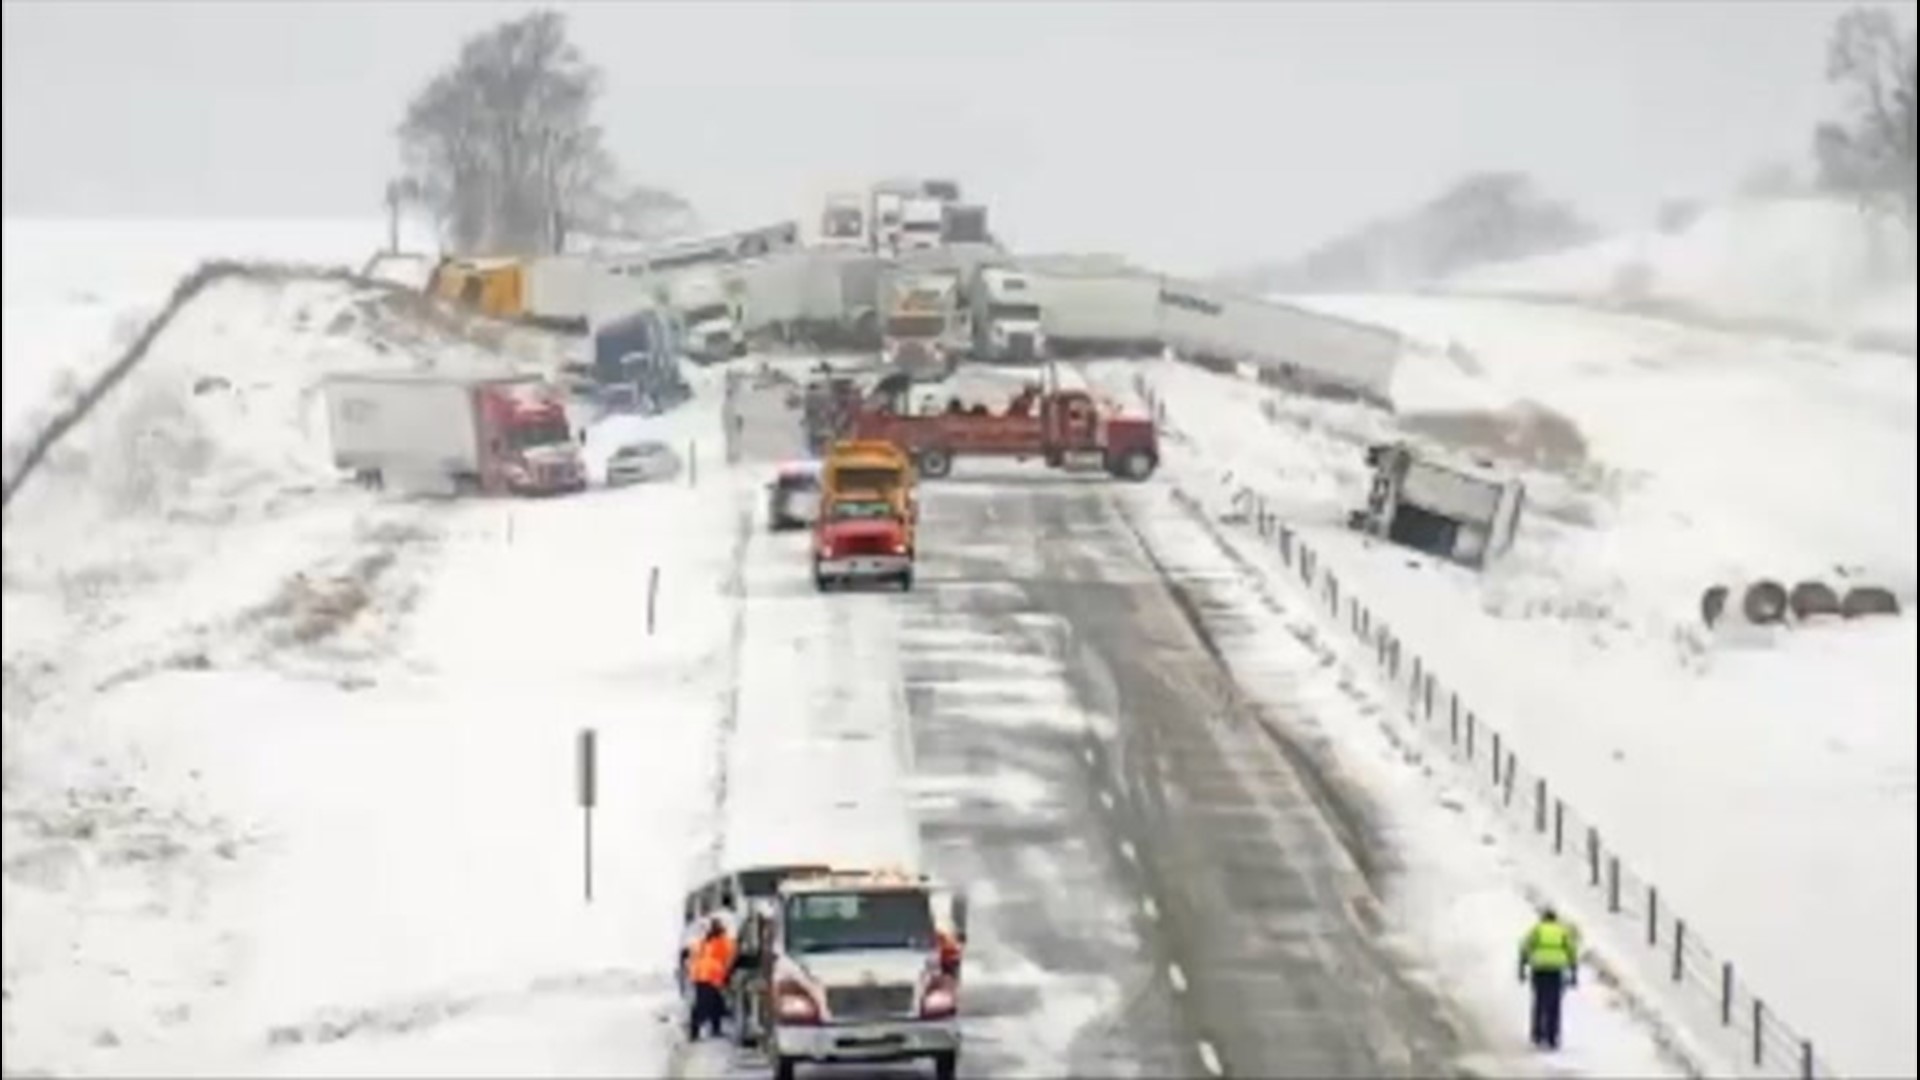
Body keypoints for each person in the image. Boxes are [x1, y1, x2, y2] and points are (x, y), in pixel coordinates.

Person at [1518, 905, 1580, 1050]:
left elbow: (1525, 948)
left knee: (1539, 1001)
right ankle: (1552, 1036)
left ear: (1543, 918)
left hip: (1539, 969)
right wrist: (1573, 973)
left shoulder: (1537, 930)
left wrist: (1522, 967)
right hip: (1556, 970)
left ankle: (1538, 1035)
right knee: (1554, 1004)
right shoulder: (1562, 931)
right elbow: (1572, 951)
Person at [686, 916, 736, 1041]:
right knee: (705, 1005)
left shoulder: (705, 940)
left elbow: (694, 955)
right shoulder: (721, 940)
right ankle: (695, 1032)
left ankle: (713, 1029)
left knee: (714, 1004)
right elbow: (731, 955)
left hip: (702, 975)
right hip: (710, 976)